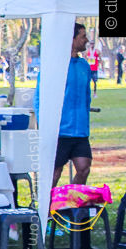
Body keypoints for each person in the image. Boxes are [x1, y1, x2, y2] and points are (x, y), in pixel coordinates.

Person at [38, 23, 92, 188]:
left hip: (80, 131)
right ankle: (47, 210)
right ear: (72, 39)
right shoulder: (54, 65)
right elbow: (40, 97)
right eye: (83, 36)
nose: (87, 40)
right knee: (54, 174)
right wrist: (44, 125)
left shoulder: (84, 66)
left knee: (84, 168)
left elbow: (87, 96)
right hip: (59, 131)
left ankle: (70, 205)